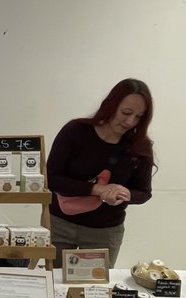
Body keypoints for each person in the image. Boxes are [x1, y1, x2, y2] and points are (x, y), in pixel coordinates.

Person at [47, 78, 156, 267]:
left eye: (139, 116)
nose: (130, 121)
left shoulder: (139, 147)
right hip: (60, 224)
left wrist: (123, 193)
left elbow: (144, 193)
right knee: (55, 286)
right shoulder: (76, 131)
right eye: (126, 112)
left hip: (105, 232)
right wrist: (98, 190)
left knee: (94, 291)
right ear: (111, 105)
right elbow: (51, 179)